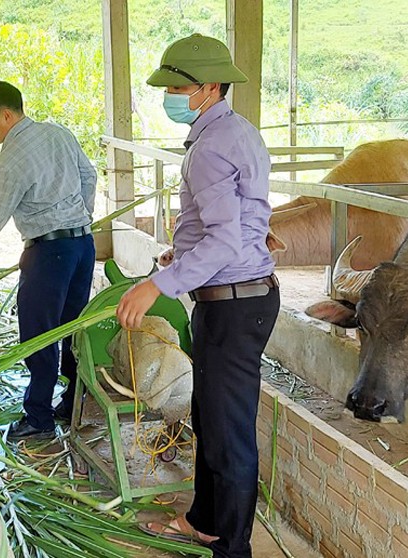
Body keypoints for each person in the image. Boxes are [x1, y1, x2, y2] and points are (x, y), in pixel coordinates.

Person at [115, 34, 280, 558]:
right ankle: (204, 521)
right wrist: (180, 258)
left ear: (209, 88)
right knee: (210, 419)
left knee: (228, 432)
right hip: (235, 296)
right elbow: (240, 222)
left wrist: (155, 284)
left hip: (233, 304)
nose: (171, 96)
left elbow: (227, 239)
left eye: (178, 88)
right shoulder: (236, 132)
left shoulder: (210, 148)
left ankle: (232, 547)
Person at [0, 81, 97, 439]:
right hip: (82, 246)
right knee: (72, 328)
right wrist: (80, 216)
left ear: (7, 115)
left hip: (48, 253)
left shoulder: (9, 162)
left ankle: (39, 417)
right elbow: (89, 176)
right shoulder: (60, 133)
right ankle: (74, 402)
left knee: (38, 334)